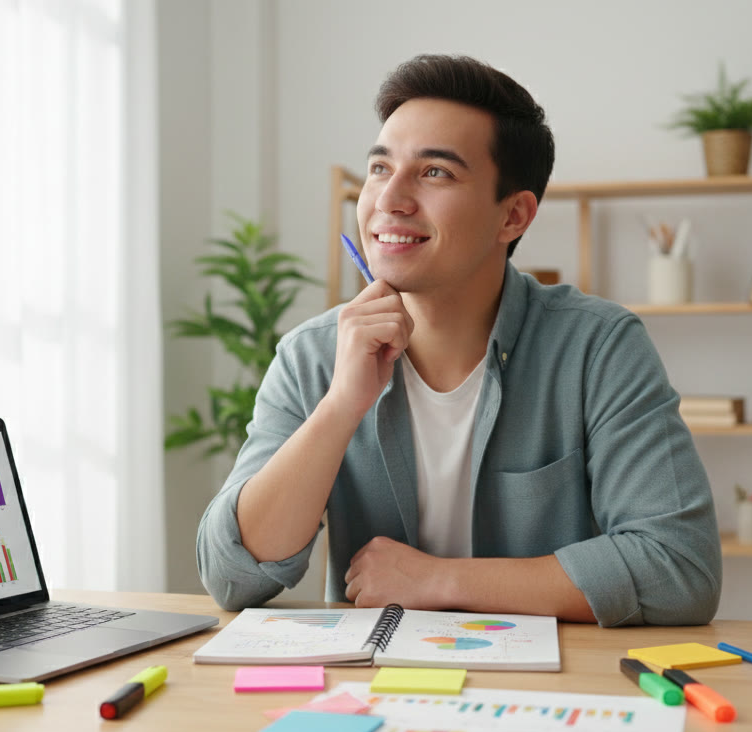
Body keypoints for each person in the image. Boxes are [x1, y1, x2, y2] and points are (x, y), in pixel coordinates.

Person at [197, 54, 721, 626]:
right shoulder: (312, 355)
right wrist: (340, 406)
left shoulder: (599, 348)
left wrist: (436, 581)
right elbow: (231, 576)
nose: (389, 199)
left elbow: (679, 568)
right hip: (372, 694)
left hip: (550, 696)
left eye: (435, 173)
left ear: (514, 216)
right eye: (379, 169)